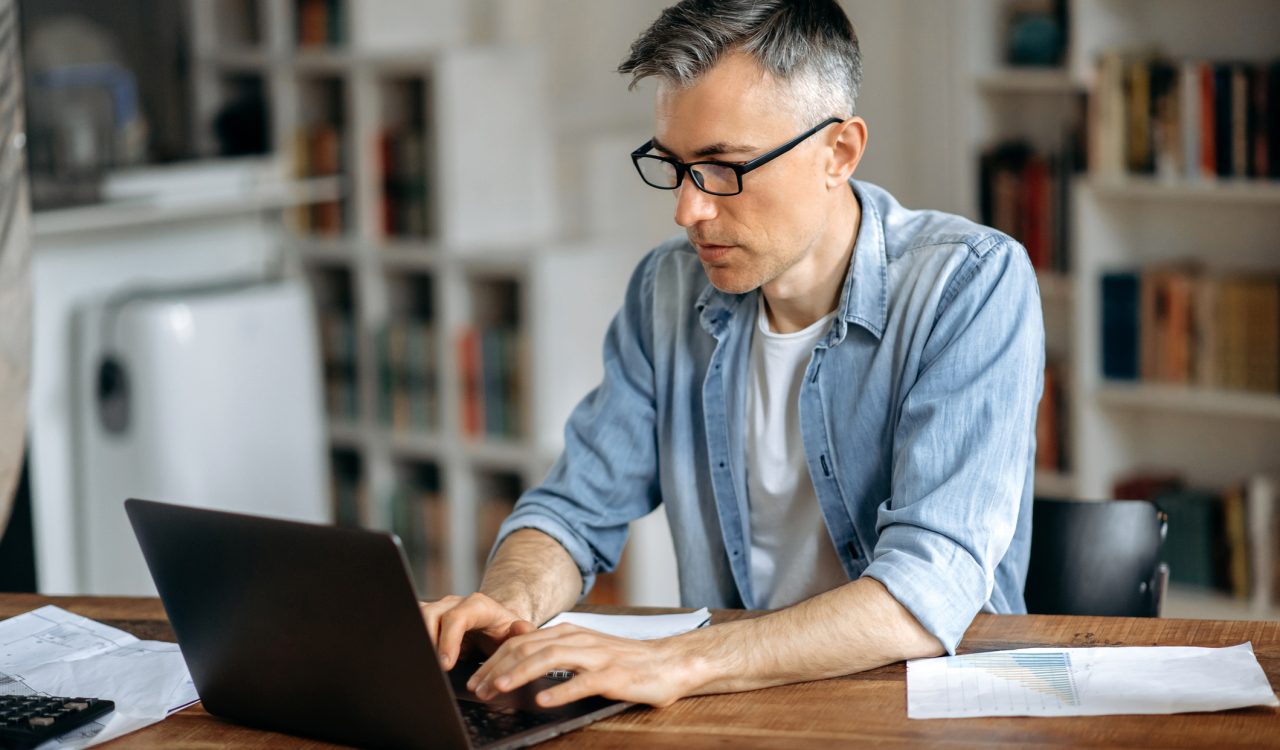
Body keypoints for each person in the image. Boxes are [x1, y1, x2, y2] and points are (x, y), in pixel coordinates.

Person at [421, 0, 1043, 709]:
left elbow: (927, 589)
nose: (687, 211)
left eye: (722, 167)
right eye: (674, 165)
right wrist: (507, 607)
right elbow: (571, 510)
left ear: (837, 152)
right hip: (734, 704)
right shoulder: (667, 289)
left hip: (915, 707)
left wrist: (678, 661)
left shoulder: (971, 283)